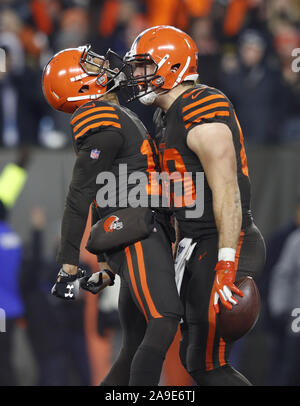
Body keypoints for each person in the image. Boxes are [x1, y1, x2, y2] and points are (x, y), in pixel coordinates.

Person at [122, 25, 266, 386]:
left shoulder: (203, 107)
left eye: (143, 66)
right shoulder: (164, 114)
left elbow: (228, 193)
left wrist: (227, 261)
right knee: (196, 359)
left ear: (171, 66)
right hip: (197, 243)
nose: (137, 75)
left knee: (208, 363)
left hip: (223, 240)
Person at [42, 45, 183, 386]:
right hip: (136, 231)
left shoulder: (116, 115)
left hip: (139, 228)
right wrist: (69, 265)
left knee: (133, 345)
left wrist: (105, 266)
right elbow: (81, 195)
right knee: (164, 318)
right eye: (90, 64)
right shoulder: (100, 119)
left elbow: (107, 190)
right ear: (80, 83)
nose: (104, 65)